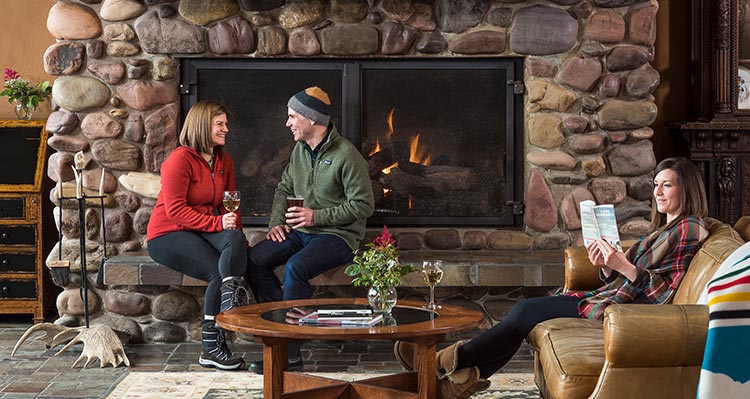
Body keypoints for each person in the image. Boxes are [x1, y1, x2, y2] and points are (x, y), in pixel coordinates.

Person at [394, 157, 710, 399]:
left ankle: (439, 362)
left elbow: (663, 292)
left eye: (666, 184)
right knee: (523, 318)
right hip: (614, 298)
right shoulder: (665, 229)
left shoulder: (690, 228)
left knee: (522, 313)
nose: (657, 191)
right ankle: (455, 385)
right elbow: (629, 275)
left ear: (688, 188)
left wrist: (623, 267)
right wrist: (607, 265)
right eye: (656, 184)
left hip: (627, 315)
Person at [245, 86, 374, 373]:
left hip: (338, 236)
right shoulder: (299, 151)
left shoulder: (347, 156)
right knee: (253, 260)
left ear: (311, 120)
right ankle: (283, 320)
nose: (287, 123)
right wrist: (276, 222)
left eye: (292, 116)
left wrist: (317, 217)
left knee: (295, 268)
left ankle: (289, 353)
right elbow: (284, 188)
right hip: (300, 230)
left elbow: (363, 206)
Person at [146, 101, 250, 370]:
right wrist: (218, 224)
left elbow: (230, 205)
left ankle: (230, 296)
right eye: (220, 124)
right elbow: (177, 211)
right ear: (203, 125)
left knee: (236, 238)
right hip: (168, 233)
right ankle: (211, 347)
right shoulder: (179, 160)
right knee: (217, 271)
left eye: (226, 124)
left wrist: (236, 239)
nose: (226, 129)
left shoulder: (224, 160)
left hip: (202, 227)